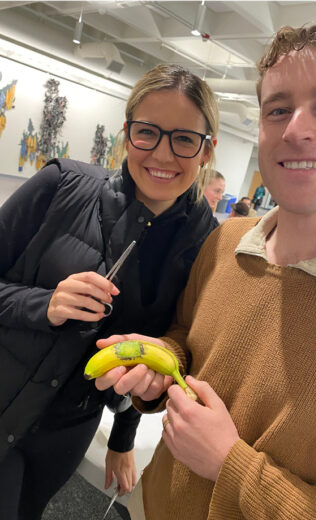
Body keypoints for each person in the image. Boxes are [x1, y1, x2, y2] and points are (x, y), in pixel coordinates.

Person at [95, 17, 316, 519]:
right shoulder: (226, 241)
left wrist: (230, 465)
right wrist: (160, 369)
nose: (297, 129)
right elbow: (186, 339)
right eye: (278, 109)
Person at [0, 63, 220, 519]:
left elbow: (159, 350)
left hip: (65, 432)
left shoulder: (206, 247)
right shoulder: (61, 186)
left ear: (207, 151)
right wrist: (45, 304)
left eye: (183, 139)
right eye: (148, 132)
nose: (162, 154)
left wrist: (122, 439)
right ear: (126, 134)